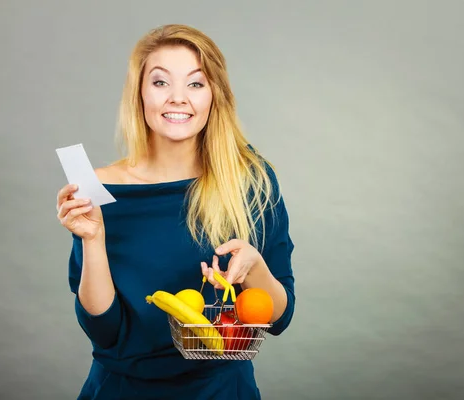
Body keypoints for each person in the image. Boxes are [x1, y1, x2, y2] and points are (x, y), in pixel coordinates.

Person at [55, 24, 296, 399]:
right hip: (121, 391)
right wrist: (93, 239)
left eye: (196, 84)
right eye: (161, 82)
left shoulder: (250, 182)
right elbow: (104, 332)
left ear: (215, 96)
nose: (178, 98)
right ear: (140, 94)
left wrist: (255, 268)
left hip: (220, 391)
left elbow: (280, 318)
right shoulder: (100, 188)